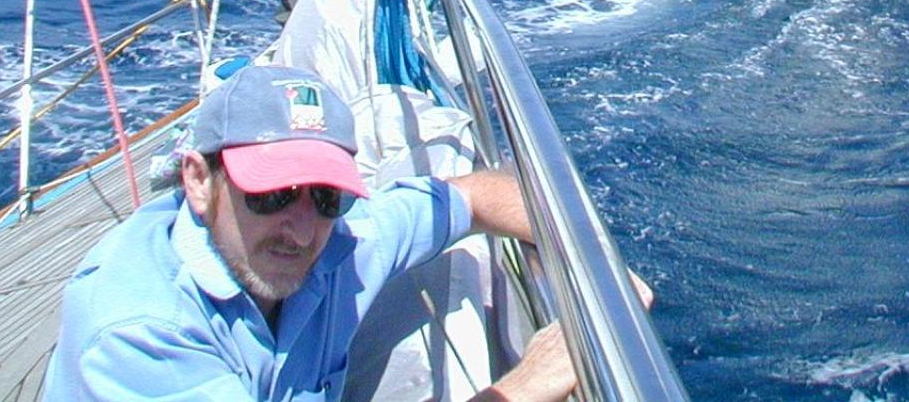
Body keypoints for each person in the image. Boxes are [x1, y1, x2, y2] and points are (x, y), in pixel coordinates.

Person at [43, 64, 583, 401]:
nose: (301, 232)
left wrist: (589, 262)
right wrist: (522, 388)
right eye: (271, 194)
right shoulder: (142, 333)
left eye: (326, 197)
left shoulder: (338, 245)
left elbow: (470, 196)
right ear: (199, 181)